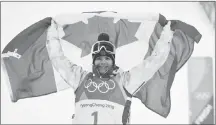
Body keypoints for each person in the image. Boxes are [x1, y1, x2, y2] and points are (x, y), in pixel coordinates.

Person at [46, 21, 173, 124]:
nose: (103, 62)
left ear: (113, 61)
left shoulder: (125, 81)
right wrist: (52, 35)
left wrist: (166, 36)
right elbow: (58, 59)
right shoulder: (80, 78)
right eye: (99, 58)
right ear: (93, 61)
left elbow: (153, 62)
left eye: (107, 58)